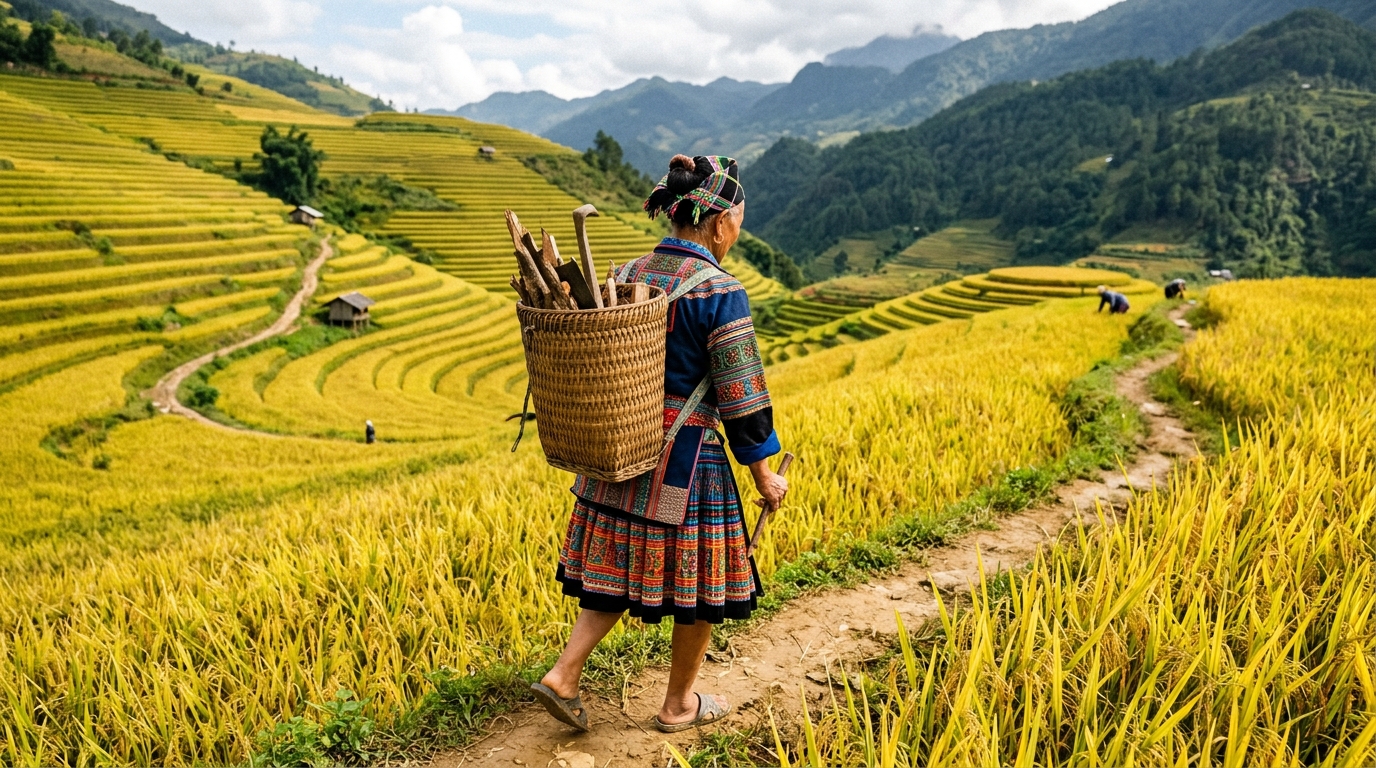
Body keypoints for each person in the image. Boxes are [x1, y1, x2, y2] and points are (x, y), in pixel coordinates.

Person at [531, 154, 788, 734]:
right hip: (686, 461)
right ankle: (677, 706)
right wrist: (764, 475)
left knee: (615, 569)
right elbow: (743, 396)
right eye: (739, 220)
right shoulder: (721, 291)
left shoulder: (626, 272)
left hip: (618, 449)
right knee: (703, 590)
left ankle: (564, 675)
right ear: (719, 223)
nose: (738, 231)